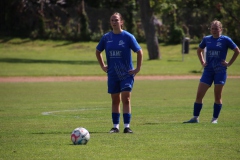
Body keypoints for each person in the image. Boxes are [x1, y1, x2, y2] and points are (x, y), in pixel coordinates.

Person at [184, 20, 240, 124]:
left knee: (217, 96)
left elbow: (237, 51)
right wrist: (202, 62)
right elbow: (199, 50)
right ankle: (195, 118)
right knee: (199, 94)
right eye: (212, 28)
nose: (214, 30)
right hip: (208, 71)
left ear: (221, 29)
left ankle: (214, 119)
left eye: (216, 28)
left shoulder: (226, 40)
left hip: (220, 71)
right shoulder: (206, 39)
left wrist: (229, 63)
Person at [95, 12, 143, 133]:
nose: (114, 22)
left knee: (126, 99)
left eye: (116, 20)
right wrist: (103, 66)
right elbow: (98, 51)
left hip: (126, 74)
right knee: (115, 100)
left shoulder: (128, 37)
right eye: (112, 20)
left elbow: (139, 52)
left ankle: (127, 126)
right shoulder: (106, 37)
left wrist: (137, 69)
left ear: (121, 22)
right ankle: (115, 126)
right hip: (112, 74)